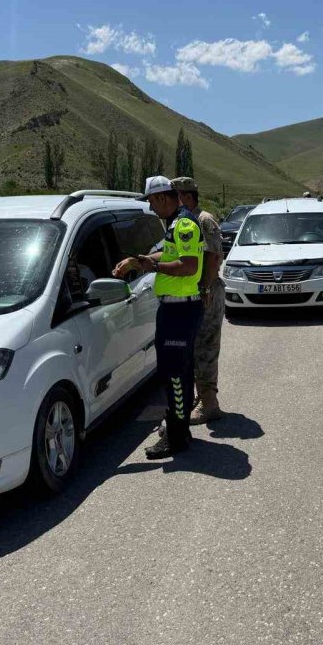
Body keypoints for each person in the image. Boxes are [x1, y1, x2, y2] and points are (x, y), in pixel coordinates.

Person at [113, 176, 204, 458]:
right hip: (177, 309)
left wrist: (151, 264)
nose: (151, 209)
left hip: (180, 310)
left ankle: (176, 438)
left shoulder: (185, 224)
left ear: (163, 198)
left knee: (175, 375)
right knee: (180, 373)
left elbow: (188, 266)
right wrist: (142, 259)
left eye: (151, 202)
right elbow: (169, 251)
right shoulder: (176, 223)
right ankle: (181, 429)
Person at [171, 176, 226, 425]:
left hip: (208, 291)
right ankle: (201, 397)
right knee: (194, 348)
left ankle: (209, 404)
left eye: (176, 195)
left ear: (186, 196)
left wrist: (204, 288)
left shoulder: (203, 220)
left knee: (205, 347)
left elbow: (214, 257)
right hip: (195, 291)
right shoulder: (185, 221)